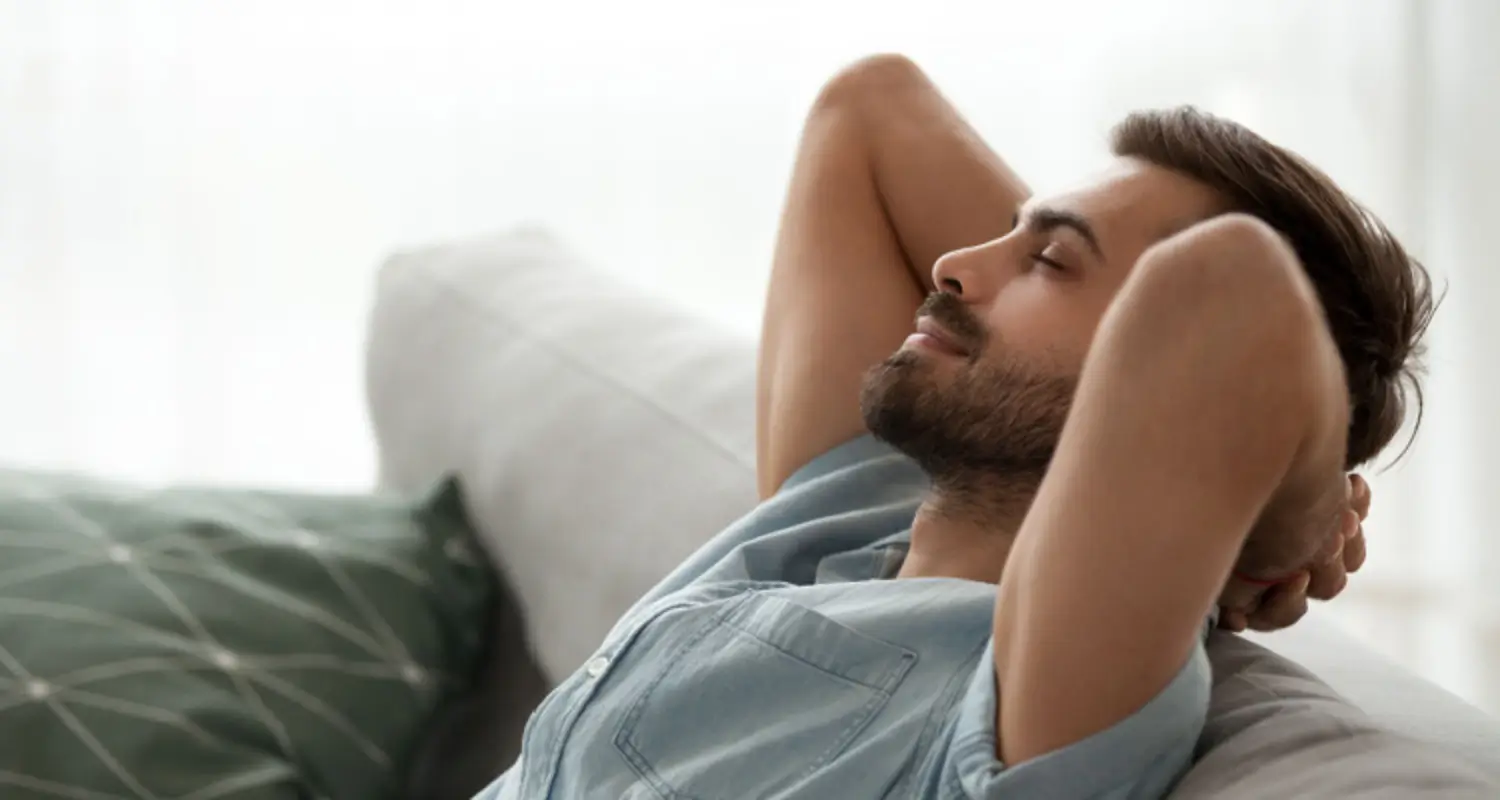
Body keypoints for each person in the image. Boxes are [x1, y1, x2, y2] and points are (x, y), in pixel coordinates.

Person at [474, 55, 1432, 799]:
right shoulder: (849, 512)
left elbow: (1226, 288)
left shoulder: (1048, 692)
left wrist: (1289, 520)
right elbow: (871, 107)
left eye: (1049, 260)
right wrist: (1064, 252)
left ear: (1147, 369)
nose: (954, 263)